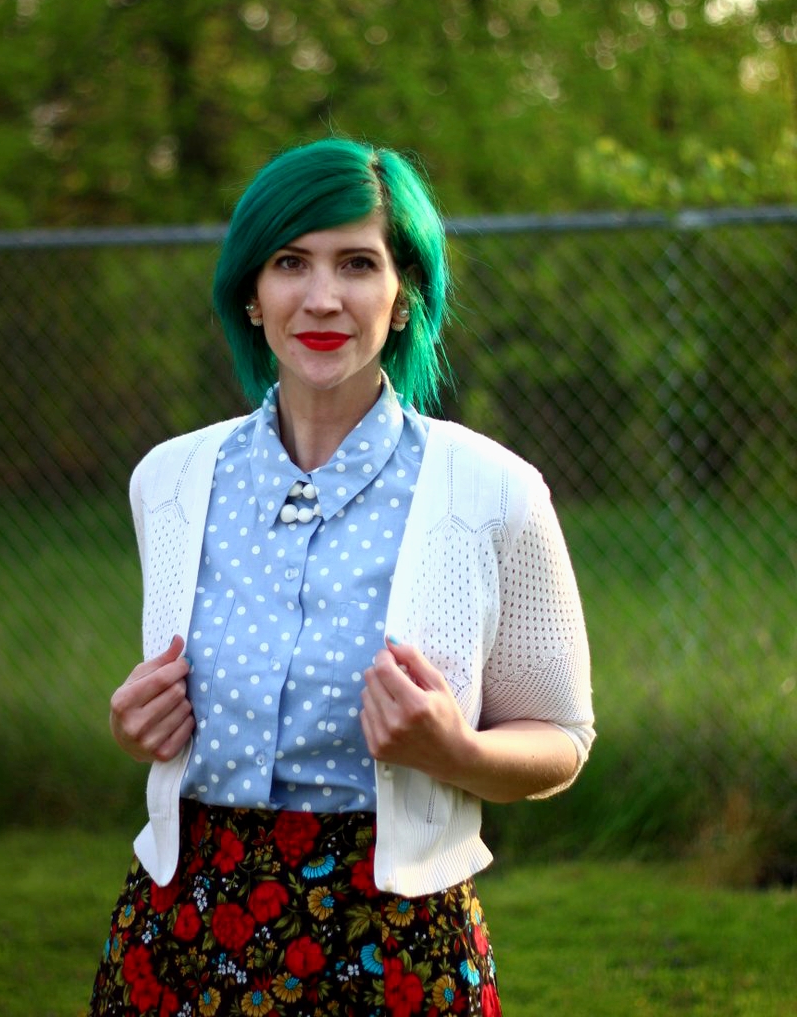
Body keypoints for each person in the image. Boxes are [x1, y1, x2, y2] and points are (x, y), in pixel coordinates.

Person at [89, 137, 594, 1017]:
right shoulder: (168, 482)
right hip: (181, 932)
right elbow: (172, 719)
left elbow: (562, 736)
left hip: (395, 944)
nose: (322, 297)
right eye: (291, 262)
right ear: (252, 294)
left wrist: (459, 754)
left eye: (358, 263)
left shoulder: (492, 492)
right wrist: (137, 728)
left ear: (404, 297)